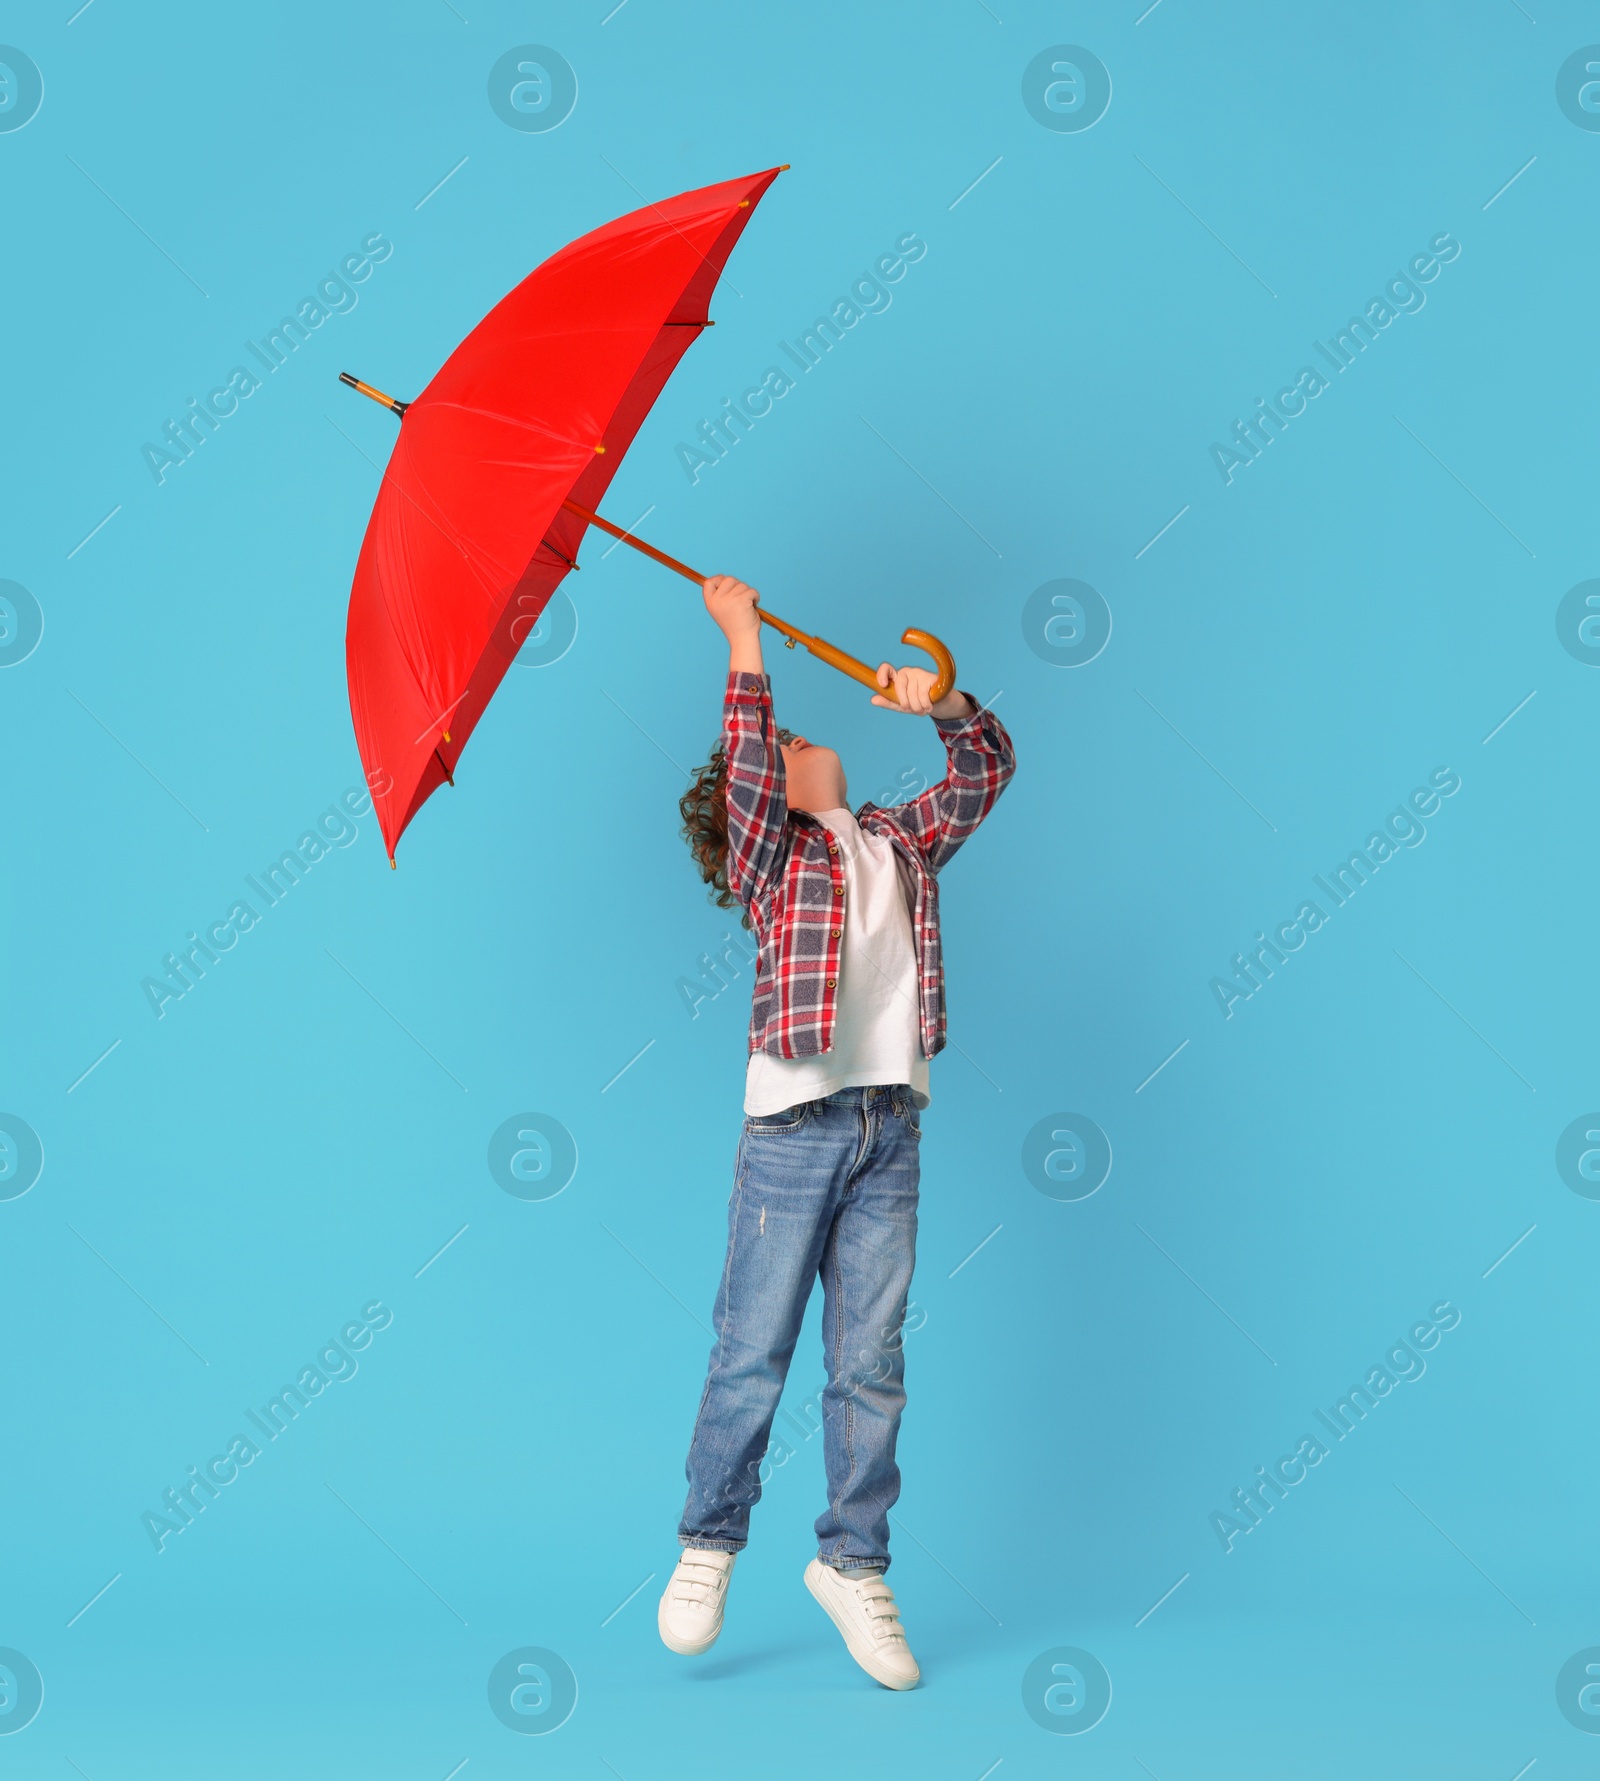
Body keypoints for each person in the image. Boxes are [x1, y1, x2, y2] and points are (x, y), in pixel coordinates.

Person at [657, 573, 1016, 1689]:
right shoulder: (774, 859)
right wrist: (745, 642)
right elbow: (753, 764)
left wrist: (943, 704)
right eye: (785, 739)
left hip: (886, 1130)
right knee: (752, 1349)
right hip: (794, 1130)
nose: (802, 739)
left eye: (800, 731)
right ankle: (709, 1541)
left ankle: (854, 1562)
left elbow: (986, 773)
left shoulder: (896, 841)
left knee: (870, 1364)